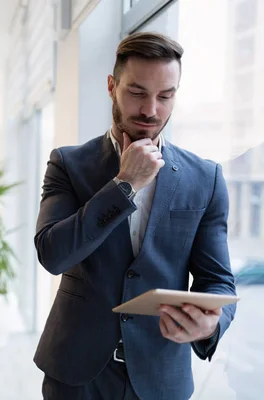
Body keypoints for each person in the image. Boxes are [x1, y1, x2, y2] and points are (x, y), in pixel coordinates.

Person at [34, 32, 236, 400]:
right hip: (77, 375)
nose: (151, 110)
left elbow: (219, 281)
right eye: (138, 93)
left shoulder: (205, 178)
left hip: (161, 378)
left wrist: (210, 324)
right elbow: (53, 254)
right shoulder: (67, 163)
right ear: (112, 87)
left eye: (165, 96)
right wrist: (125, 184)